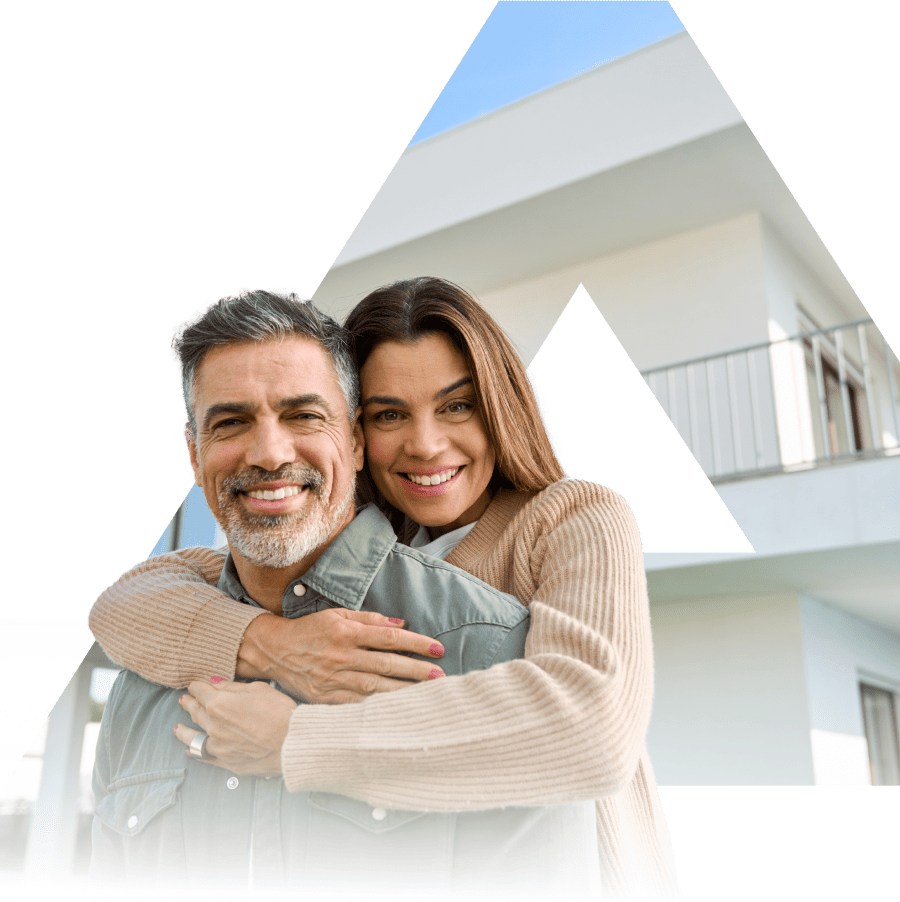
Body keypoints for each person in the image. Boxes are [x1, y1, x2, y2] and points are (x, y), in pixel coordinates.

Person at [89, 279, 677, 899]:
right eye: (390, 413)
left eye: (456, 405)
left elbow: (592, 727)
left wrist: (296, 741)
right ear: (362, 436)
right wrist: (270, 643)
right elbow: (128, 601)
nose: (425, 444)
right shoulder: (352, 530)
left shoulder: (571, 517)